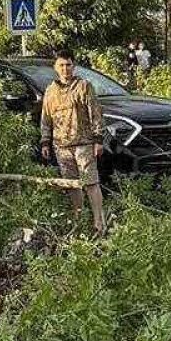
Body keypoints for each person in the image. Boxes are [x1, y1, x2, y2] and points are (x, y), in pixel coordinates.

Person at [39, 49, 109, 235]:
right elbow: (46, 118)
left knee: (90, 182)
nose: (65, 69)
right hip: (61, 146)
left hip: (84, 143)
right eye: (61, 65)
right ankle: (78, 221)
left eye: (68, 65)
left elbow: (95, 113)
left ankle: (99, 223)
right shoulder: (50, 91)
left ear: (74, 66)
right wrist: (45, 141)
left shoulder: (84, 86)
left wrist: (98, 139)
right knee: (71, 185)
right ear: (55, 67)